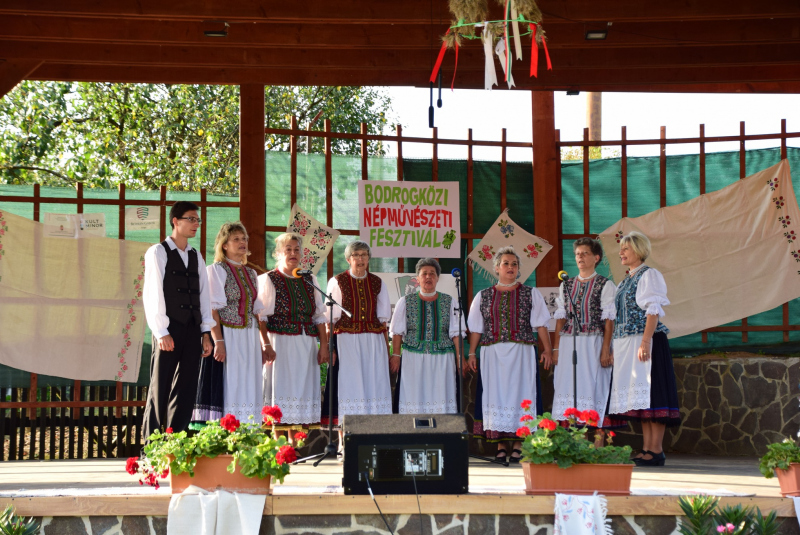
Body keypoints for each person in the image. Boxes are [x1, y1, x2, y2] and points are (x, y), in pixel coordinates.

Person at [467, 246, 553, 463]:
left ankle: (518, 445)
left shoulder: (530, 293)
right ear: (496, 268)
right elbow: (477, 328)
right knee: (495, 396)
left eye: (514, 264)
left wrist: (548, 349)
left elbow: (541, 324)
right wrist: (471, 353)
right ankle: (500, 446)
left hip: (521, 352)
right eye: (506, 263)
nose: (510, 267)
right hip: (492, 353)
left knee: (521, 396)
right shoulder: (483, 295)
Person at [142, 201, 214, 438]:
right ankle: (150, 445)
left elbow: (204, 295)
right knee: (159, 387)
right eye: (191, 219)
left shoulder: (196, 255)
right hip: (169, 328)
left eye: (198, 220)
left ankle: (177, 439)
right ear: (176, 221)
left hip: (193, 329)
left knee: (186, 388)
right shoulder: (158, 252)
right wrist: (161, 331)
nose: (196, 224)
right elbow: (153, 293)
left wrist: (206, 332)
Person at [608, 231, 680, 466]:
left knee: (653, 394)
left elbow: (653, 309)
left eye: (626, 249)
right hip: (629, 343)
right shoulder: (626, 280)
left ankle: (656, 449)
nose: (621, 253)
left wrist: (646, 341)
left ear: (638, 250)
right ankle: (648, 447)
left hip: (645, 341)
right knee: (642, 399)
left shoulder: (649, 276)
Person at [191, 222, 266, 427]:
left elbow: (256, 311)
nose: (242, 243)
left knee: (249, 381)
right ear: (224, 244)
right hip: (228, 334)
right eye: (236, 239)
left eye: (244, 239)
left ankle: (248, 431)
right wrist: (219, 341)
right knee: (231, 381)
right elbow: (212, 309)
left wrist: (263, 343)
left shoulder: (251, 273)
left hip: (249, 336)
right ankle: (228, 431)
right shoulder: (216, 270)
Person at [257, 233, 329, 442]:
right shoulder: (269, 279)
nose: (293, 253)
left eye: (297, 249)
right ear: (278, 253)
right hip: (280, 342)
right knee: (281, 388)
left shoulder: (310, 279)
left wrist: (323, 346)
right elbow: (261, 318)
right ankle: (279, 441)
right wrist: (266, 344)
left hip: (306, 343)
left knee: (302, 388)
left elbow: (319, 316)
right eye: (287, 249)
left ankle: (296, 443)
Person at [322, 241, 392, 433]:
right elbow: (330, 319)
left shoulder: (378, 282)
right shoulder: (337, 281)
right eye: (356, 255)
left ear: (369, 258)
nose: (360, 259)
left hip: (373, 341)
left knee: (374, 385)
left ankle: (374, 435)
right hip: (347, 341)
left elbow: (383, 321)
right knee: (349, 386)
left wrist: (387, 351)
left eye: (364, 255)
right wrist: (331, 347)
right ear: (348, 259)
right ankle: (344, 441)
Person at [552, 238, 616, 443]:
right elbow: (561, 318)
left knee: (594, 387)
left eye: (585, 253)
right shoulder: (566, 285)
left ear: (596, 258)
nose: (580, 256)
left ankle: (597, 443)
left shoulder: (605, 284)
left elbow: (609, 321)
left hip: (594, 342)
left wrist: (606, 349)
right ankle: (572, 442)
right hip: (569, 342)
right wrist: (556, 348)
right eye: (578, 253)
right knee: (568, 388)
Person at [389, 258, 465, 414]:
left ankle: (441, 434)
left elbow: (457, 333)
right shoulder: (404, 302)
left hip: (443, 359)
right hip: (413, 358)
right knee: (413, 396)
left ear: (437, 278)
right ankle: (413, 435)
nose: (428, 277)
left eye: (432, 274)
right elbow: (397, 332)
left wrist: (459, 357)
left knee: (442, 397)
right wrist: (396, 355)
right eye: (424, 274)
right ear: (417, 278)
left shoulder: (450, 301)